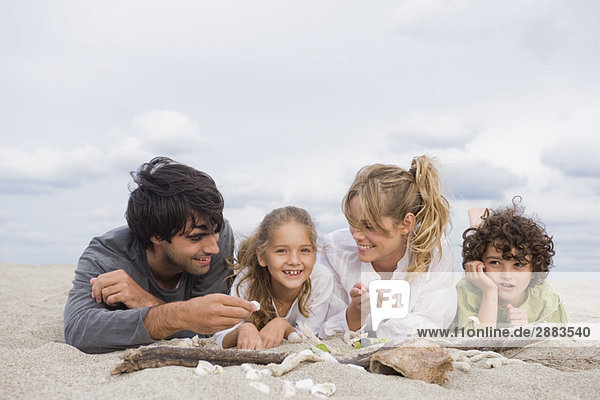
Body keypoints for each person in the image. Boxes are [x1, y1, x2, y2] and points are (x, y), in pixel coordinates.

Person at [63, 157, 256, 353]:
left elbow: (210, 330)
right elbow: (78, 330)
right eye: (195, 238)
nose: (213, 248)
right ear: (156, 236)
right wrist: (182, 315)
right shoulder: (107, 254)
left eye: (215, 230)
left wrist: (146, 303)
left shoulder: (219, 236)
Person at [319, 155, 456, 339]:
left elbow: (431, 324)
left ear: (406, 224)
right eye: (353, 222)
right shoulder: (336, 250)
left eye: (370, 226)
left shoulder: (434, 252)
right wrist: (355, 311)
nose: (357, 235)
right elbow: (321, 330)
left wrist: (374, 318)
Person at [214, 206, 333, 349]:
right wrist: (243, 329)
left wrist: (283, 325)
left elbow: (309, 336)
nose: (294, 261)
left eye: (305, 250)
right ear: (262, 256)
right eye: (281, 251)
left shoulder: (320, 278)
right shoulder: (248, 280)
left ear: (314, 255)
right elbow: (220, 335)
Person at [454, 203, 567, 329]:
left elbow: (563, 341)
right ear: (479, 262)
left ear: (533, 269)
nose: (507, 275)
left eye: (518, 264)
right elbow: (476, 342)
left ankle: (478, 224)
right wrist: (489, 293)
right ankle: (477, 226)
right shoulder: (466, 290)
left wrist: (527, 330)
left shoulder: (546, 298)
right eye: (495, 263)